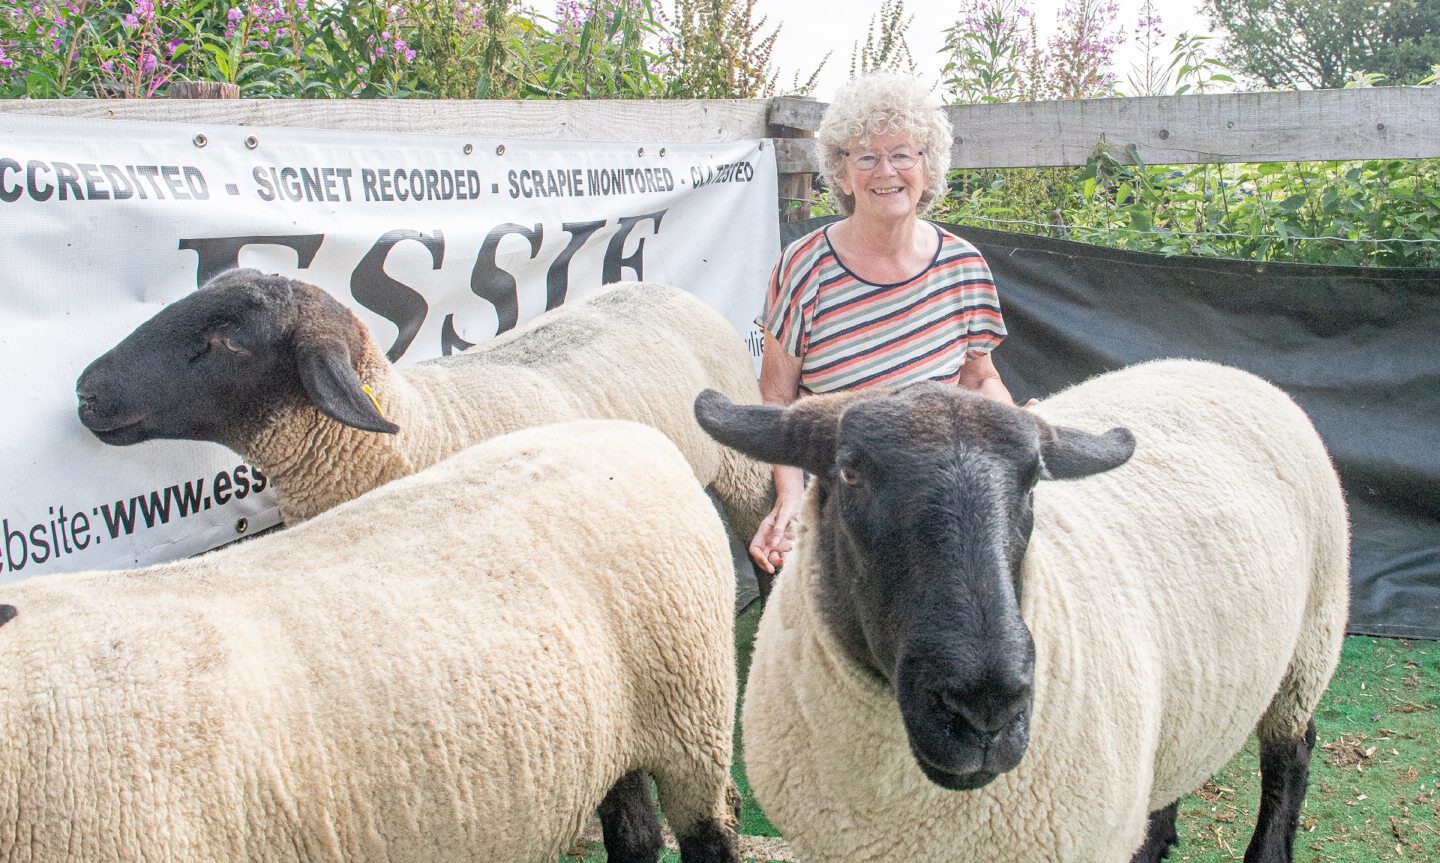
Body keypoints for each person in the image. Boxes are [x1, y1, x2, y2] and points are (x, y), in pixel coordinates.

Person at [750, 72, 1018, 578]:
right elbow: (776, 399)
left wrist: (1014, 430)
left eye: (902, 154)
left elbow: (979, 379)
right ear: (843, 174)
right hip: (836, 485)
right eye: (866, 156)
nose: (885, 170)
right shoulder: (803, 267)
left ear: (927, 167)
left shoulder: (963, 266)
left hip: (935, 483)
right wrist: (788, 498)